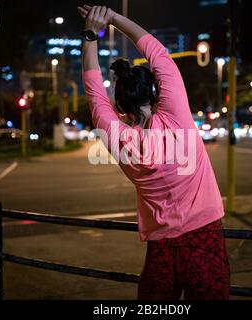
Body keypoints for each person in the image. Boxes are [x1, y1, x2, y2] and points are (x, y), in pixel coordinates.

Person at [78, 4, 230, 300]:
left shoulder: (117, 137)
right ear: (155, 92)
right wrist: (113, 19)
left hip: (161, 251)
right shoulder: (176, 116)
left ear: (119, 106)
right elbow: (158, 55)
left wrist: (90, 36)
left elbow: (93, 90)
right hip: (204, 240)